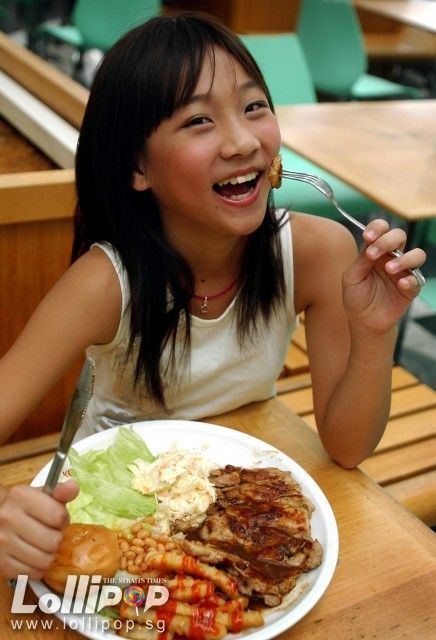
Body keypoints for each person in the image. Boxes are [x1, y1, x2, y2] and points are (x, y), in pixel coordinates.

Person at [0, 12, 426, 580]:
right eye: (199, 120)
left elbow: (347, 449)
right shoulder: (105, 282)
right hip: (119, 519)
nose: (244, 141)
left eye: (254, 107)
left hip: (242, 492)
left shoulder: (318, 251)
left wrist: (375, 336)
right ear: (137, 167)